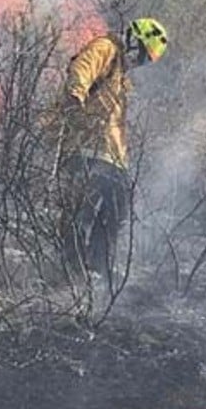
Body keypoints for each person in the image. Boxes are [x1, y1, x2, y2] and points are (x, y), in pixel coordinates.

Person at [57, 17, 168, 284]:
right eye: (141, 55)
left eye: (145, 61)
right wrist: (76, 96)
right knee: (80, 214)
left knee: (115, 213)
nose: (139, 63)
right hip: (88, 150)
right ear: (133, 41)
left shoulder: (121, 75)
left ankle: (98, 270)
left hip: (112, 157)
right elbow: (81, 70)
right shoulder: (105, 48)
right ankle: (71, 275)